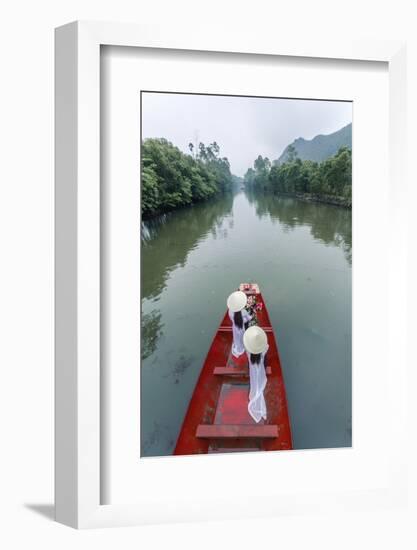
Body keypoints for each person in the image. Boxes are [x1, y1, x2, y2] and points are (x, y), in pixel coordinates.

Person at [243, 326, 269, 423]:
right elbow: (266, 348)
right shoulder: (264, 349)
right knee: (260, 379)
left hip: (252, 368)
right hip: (261, 368)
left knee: (254, 379)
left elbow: (247, 348)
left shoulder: (248, 352)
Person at [227, 290, 252, 358]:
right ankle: (242, 347)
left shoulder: (230, 311)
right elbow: (249, 318)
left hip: (235, 327)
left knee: (237, 338)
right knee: (242, 337)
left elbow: (232, 319)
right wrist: (251, 316)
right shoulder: (244, 312)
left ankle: (239, 348)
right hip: (241, 327)